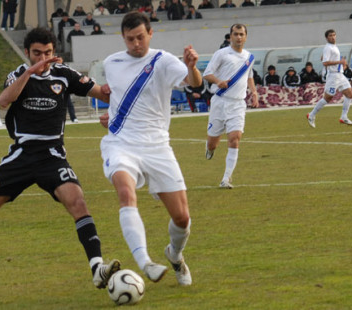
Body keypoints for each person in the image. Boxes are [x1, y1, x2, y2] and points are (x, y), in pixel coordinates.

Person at [0, 27, 120, 293]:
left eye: (47, 53)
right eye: (36, 53)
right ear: (27, 53)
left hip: (52, 156)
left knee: (78, 202)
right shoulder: (19, 75)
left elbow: (103, 93)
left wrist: (117, 95)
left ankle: (97, 268)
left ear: (54, 53)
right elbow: (3, 101)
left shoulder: (65, 75)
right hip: (21, 156)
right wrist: (30, 72)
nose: (42, 57)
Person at [100, 11, 201, 285]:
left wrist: (192, 66)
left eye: (140, 37)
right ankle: (145, 262)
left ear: (150, 34)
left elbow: (195, 85)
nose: (136, 44)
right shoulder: (111, 63)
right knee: (125, 191)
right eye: (130, 39)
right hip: (121, 144)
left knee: (182, 218)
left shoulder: (163, 61)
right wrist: (110, 117)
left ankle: (175, 255)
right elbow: (118, 96)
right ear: (123, 37)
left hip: (157, 147)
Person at [203, 23, 259, 189]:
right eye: (235, 34)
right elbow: (207, 74)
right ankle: (209, 148)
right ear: (230, 36)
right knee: (213, 142)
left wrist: (254, 92)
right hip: (220, 102)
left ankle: (226, 178)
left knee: (235, 139)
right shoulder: (221, 54)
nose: (239, 37)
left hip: (238, 104)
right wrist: (218, 81)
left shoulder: (249, 57)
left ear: (246, 36)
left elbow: (249, 76)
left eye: (241, 34)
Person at [307, 29, 352, 127]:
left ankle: (344, 117)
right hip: (333, 76)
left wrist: (325, 57)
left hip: (340, 75)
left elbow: (325, 58)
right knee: (327, 98)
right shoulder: (328, 47)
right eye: (330, 35)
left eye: (334, 35)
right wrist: (340, 62)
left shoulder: (333, 46)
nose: (333, 37)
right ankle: (311, 115)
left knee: (349, 94)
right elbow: (325, 63)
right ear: (326, 38)